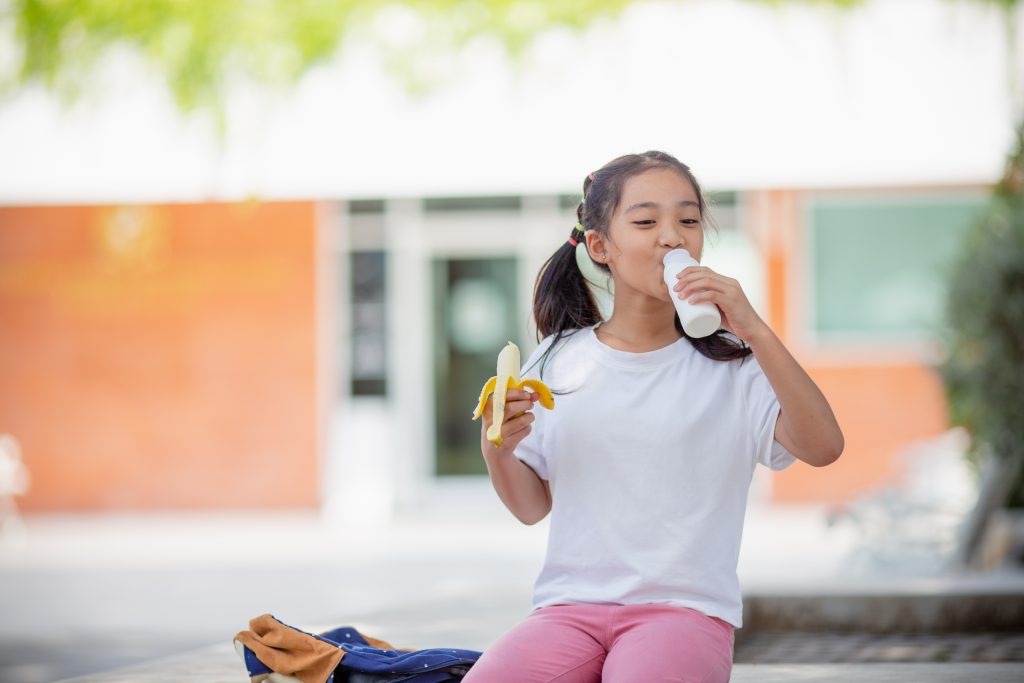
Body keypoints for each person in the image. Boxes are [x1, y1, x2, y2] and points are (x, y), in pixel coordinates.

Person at [463, 151, 844, 683]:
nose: (672, 237)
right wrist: (496, 447)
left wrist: (754, 328)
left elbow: (824, 447)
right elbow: (531, 508)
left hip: (683, 612)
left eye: (688, 220)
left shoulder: (734, 364)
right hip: (568, 610)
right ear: (600, 246)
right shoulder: (557, 358)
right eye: (645, 221)